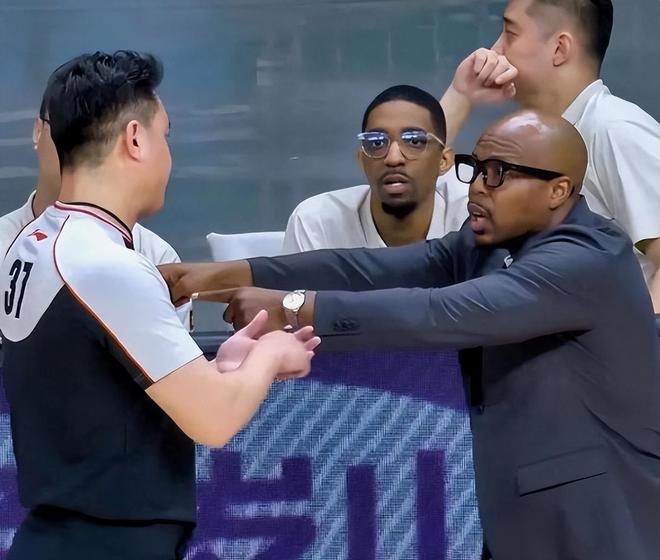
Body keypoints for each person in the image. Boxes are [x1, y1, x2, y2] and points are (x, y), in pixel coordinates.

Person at [160, 110, 660, 560]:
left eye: (498, 174)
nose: (478, 188)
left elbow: (439, 313)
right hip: (522, 512)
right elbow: (369, 269)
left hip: (602, 517)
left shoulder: (585, 260)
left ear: (558, 190)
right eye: (475, 168)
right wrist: (223, 274)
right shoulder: (493, 242)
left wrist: (292, 308)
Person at [0, 51, 319, 560]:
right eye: (164, 135)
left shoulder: (37, 242)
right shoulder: (104, 263)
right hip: (105, 544)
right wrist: (271, 353)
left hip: (65, 535)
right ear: (134, 139)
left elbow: (93, 388)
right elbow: (214, 420)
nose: (168, 155)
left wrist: (221, 368)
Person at [439, 0, 660, 311]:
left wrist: (639, 339)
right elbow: (412, 184)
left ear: (559, 48)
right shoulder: (527, 140)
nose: (494, 51)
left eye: (510, 34)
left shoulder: (614, 129)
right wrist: (461, 95)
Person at [0, 86, 193, 329]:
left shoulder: (157, 256)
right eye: (70, 128)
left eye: (94, 134)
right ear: (38, 131)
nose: (80, 147)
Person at [282, 85, 468, 252]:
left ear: (444, 161)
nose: (393, 158)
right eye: (377, 143)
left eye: (414, 141)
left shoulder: (469, 219)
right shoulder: (317, 225)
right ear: (362, 160)